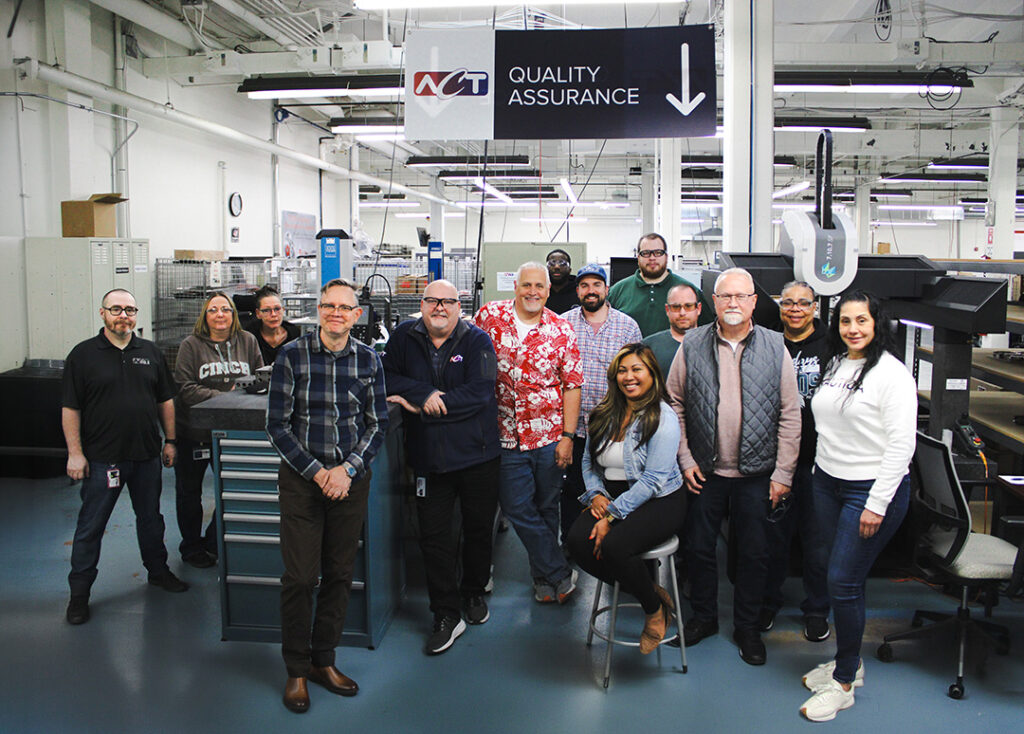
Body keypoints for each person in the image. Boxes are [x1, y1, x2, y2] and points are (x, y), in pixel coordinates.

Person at [666, 267, 800, 666]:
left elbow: (790, 414)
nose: (733, 304)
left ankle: (747, 628)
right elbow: (674, 403)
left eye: (741, 297)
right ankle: (704, 618)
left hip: (758, 474)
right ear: (714, 302)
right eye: (725, 297)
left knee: (755, 554)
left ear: (754, 302)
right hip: (704, 471)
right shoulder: (692, 343)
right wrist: (685, 458)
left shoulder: (776, 346)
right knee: (700, 548)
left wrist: (783, 474)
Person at [267, 278, 389, 714]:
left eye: (345, 307)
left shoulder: (369, 360)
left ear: (358, 315)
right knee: (300, 578)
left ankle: (324, 661)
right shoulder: (291, 355)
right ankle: (296, 669)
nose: (336, 313)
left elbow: (377, 423)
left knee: (339, 574)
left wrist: (347, 470)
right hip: (303, 481)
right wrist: (320, 473)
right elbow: (277, 425)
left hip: (350, 483)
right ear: (318, 311)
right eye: (328, 306)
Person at [799, 290, 917, 722]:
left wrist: (877, 503)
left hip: (869, 491)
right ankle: (850, 660)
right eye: (846, 321)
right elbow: (827, 425)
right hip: (828, 483)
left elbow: (903, 445)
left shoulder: (892, 374)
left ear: (876, 324)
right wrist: (818, 474)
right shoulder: (837, 362)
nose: (853, 329)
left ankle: (845, 681)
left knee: (842, 582)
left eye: (861, 321)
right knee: (847, 578)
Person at [382, 279, 501, 655]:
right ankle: (446, 613)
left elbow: (481, 392)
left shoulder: (478, 341)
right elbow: (386, 376)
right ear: (422, 303)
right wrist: (425, 394)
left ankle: (474, 591)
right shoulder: (403, 337)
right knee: (433, 536)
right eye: (432, 300)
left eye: (447, 301)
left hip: (477, 455)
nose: (439, 307)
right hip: (428, 459)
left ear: (459, 306)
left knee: (478, 529)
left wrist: (425, 405)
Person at [62, 288, 188, 624]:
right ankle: (79, 595)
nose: (124, 315)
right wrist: (75, 454)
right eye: (116, 309)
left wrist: (170, 441)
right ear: (102, 313)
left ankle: (158, 572)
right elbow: (70, 408)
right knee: (91, 527)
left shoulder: (150, 352)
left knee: (151, 520)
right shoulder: (83, 355)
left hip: (146, 456)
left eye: (130, 309)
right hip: (103, 459)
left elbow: (165, 400)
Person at [474, 262, 583, 604]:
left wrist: (568, 436)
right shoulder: (490, 317)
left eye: (539, 286)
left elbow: (572, 386)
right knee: (517, 506)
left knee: (548, 506)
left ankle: (544, 580)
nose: (532, 292)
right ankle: (558, 570)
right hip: (504, 435)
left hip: (549, 436)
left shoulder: (561, 329)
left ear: (549, 291)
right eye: (526, 285)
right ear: (515, 287)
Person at [567, 344, 686, 653]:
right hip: (612, 494)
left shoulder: (663, 417)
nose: (629, 377)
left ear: (652, 375)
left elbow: (653, 480)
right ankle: (650, 591)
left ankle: (653, 611)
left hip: (660, 499)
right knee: (577, 542)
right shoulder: (603, 412)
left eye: (637, 370)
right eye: (623, 370)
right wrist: (595, 494)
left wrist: (611, 517)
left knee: (615, 545)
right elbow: (588, 463)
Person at [759, 281, 831, 642]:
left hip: (821, 461)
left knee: (817, 542)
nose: (795, 309)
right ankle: (767, 603)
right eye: (788, 303)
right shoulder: (769, 342)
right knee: (773, 538)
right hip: (776, 460)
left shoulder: (833, 344)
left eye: (804, 303)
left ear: (815, 307)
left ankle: (817, 609)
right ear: (780, 306)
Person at [173, 292, 263, 568]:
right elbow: (186, 388)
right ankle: (190, 547)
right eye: (213, 310)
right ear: (205, 316)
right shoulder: (190, 345)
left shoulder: (247, 341)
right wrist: (225, 396)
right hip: (194, 433)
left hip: (233, 431)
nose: (220, 314)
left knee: (231, 488)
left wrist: (244, 393)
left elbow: (260, 375)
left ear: (234, 315)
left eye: (226, 309)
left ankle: (214, 541)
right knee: (190, 493)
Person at [559, 264, 641, 543]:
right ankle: (573, 543)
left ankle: (619, 541)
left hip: (615, 427)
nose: (590, 290)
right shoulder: (562, 324)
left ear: (607, 289)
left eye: (596, 285)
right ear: (577, 290)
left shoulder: (627, 326)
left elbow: (636, 379)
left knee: (618, 486)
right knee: (573, 489)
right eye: (584, 285)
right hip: (574, 428)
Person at [607, 233, 708, 337]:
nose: (652, 258)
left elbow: (707, 332)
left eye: (658, 252)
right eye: (646, 253)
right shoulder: (617, 291)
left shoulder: (690, 292)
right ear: (638, 257)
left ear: (666, 256)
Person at [642, 283, 702, 377]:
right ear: (667, 310)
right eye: (676, 307)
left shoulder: (712, 344)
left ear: (698, 308)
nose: (682, 313)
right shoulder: (649, 347)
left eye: (688, 306)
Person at [245, 285, 300, 365]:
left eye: (277, 309)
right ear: (258, 313)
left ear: (283, 310)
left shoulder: (294, 334)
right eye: (267, 310)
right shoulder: (250, 336)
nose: (273, 314)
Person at [544, 248, 578, 314]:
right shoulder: (539, 291)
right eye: (552, 263)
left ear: (570, 270)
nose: (557, 267)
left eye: (562, 263)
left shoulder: (579, 291)